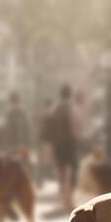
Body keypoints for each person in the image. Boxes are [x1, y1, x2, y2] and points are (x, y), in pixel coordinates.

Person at [47, 84, 78, 213]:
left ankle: (63, 200)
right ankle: (69, 199)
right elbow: (72, 126)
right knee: (74, 168)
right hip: (68, 144)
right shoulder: (69, 108)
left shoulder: (54, 109)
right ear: (69, 94)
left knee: (62, 173)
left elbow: (48, 127)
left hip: (57, 144)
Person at [3, 91, 30, 155]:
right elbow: (26, 127)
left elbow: (5, 127)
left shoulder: (7, 111)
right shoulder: (22, 111)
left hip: (10, 141)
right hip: (19, 140)